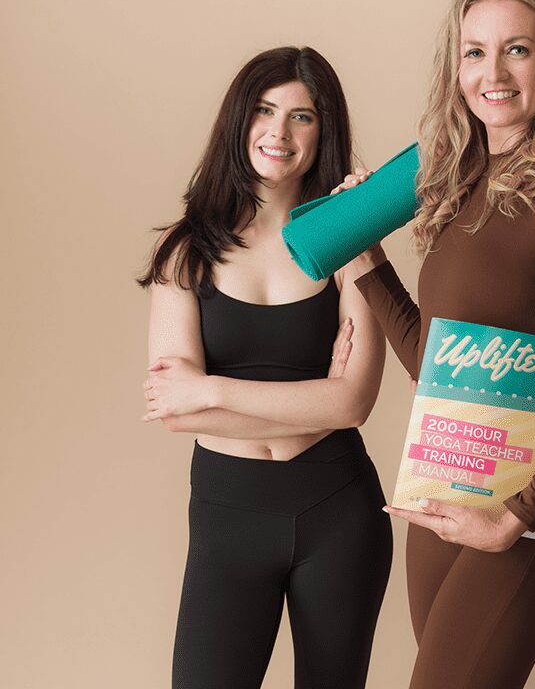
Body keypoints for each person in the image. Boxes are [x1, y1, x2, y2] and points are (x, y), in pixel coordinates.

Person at [340, 0, 535, 689]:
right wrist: (370, 267)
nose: (493, 73)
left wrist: (515, 515)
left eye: (517, 51)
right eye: (474, 52)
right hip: (440, 488)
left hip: (523, 508)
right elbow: (442, 366)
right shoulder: (455, 186)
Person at [138, 46, 392, 688]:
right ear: (238, 120)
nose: (279, 133)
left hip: (339, 508)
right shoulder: (186, 251)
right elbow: (174, 409)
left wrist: (210, 387)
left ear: (323, 132)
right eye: (264, 110)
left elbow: (353, 405)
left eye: (302, 117)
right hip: (229, 510)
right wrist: (313, 398)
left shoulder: (349, 243)